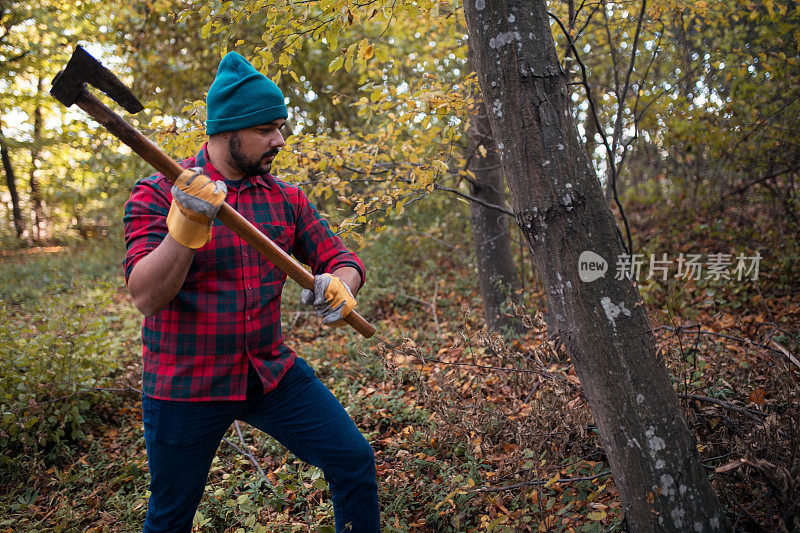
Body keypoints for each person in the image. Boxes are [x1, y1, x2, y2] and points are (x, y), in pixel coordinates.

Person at [123, 51, 380, 533]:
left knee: (353, 460)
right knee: (170, 516)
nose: (279, 140)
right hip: (185, 385)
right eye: (266, 129)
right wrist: (186, 227)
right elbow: (145, 297)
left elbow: (344, 260)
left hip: (268, 374)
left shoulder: (285, 198)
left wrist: (340, 286)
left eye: (280, 126)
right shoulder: (158, 192)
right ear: (227, 131)